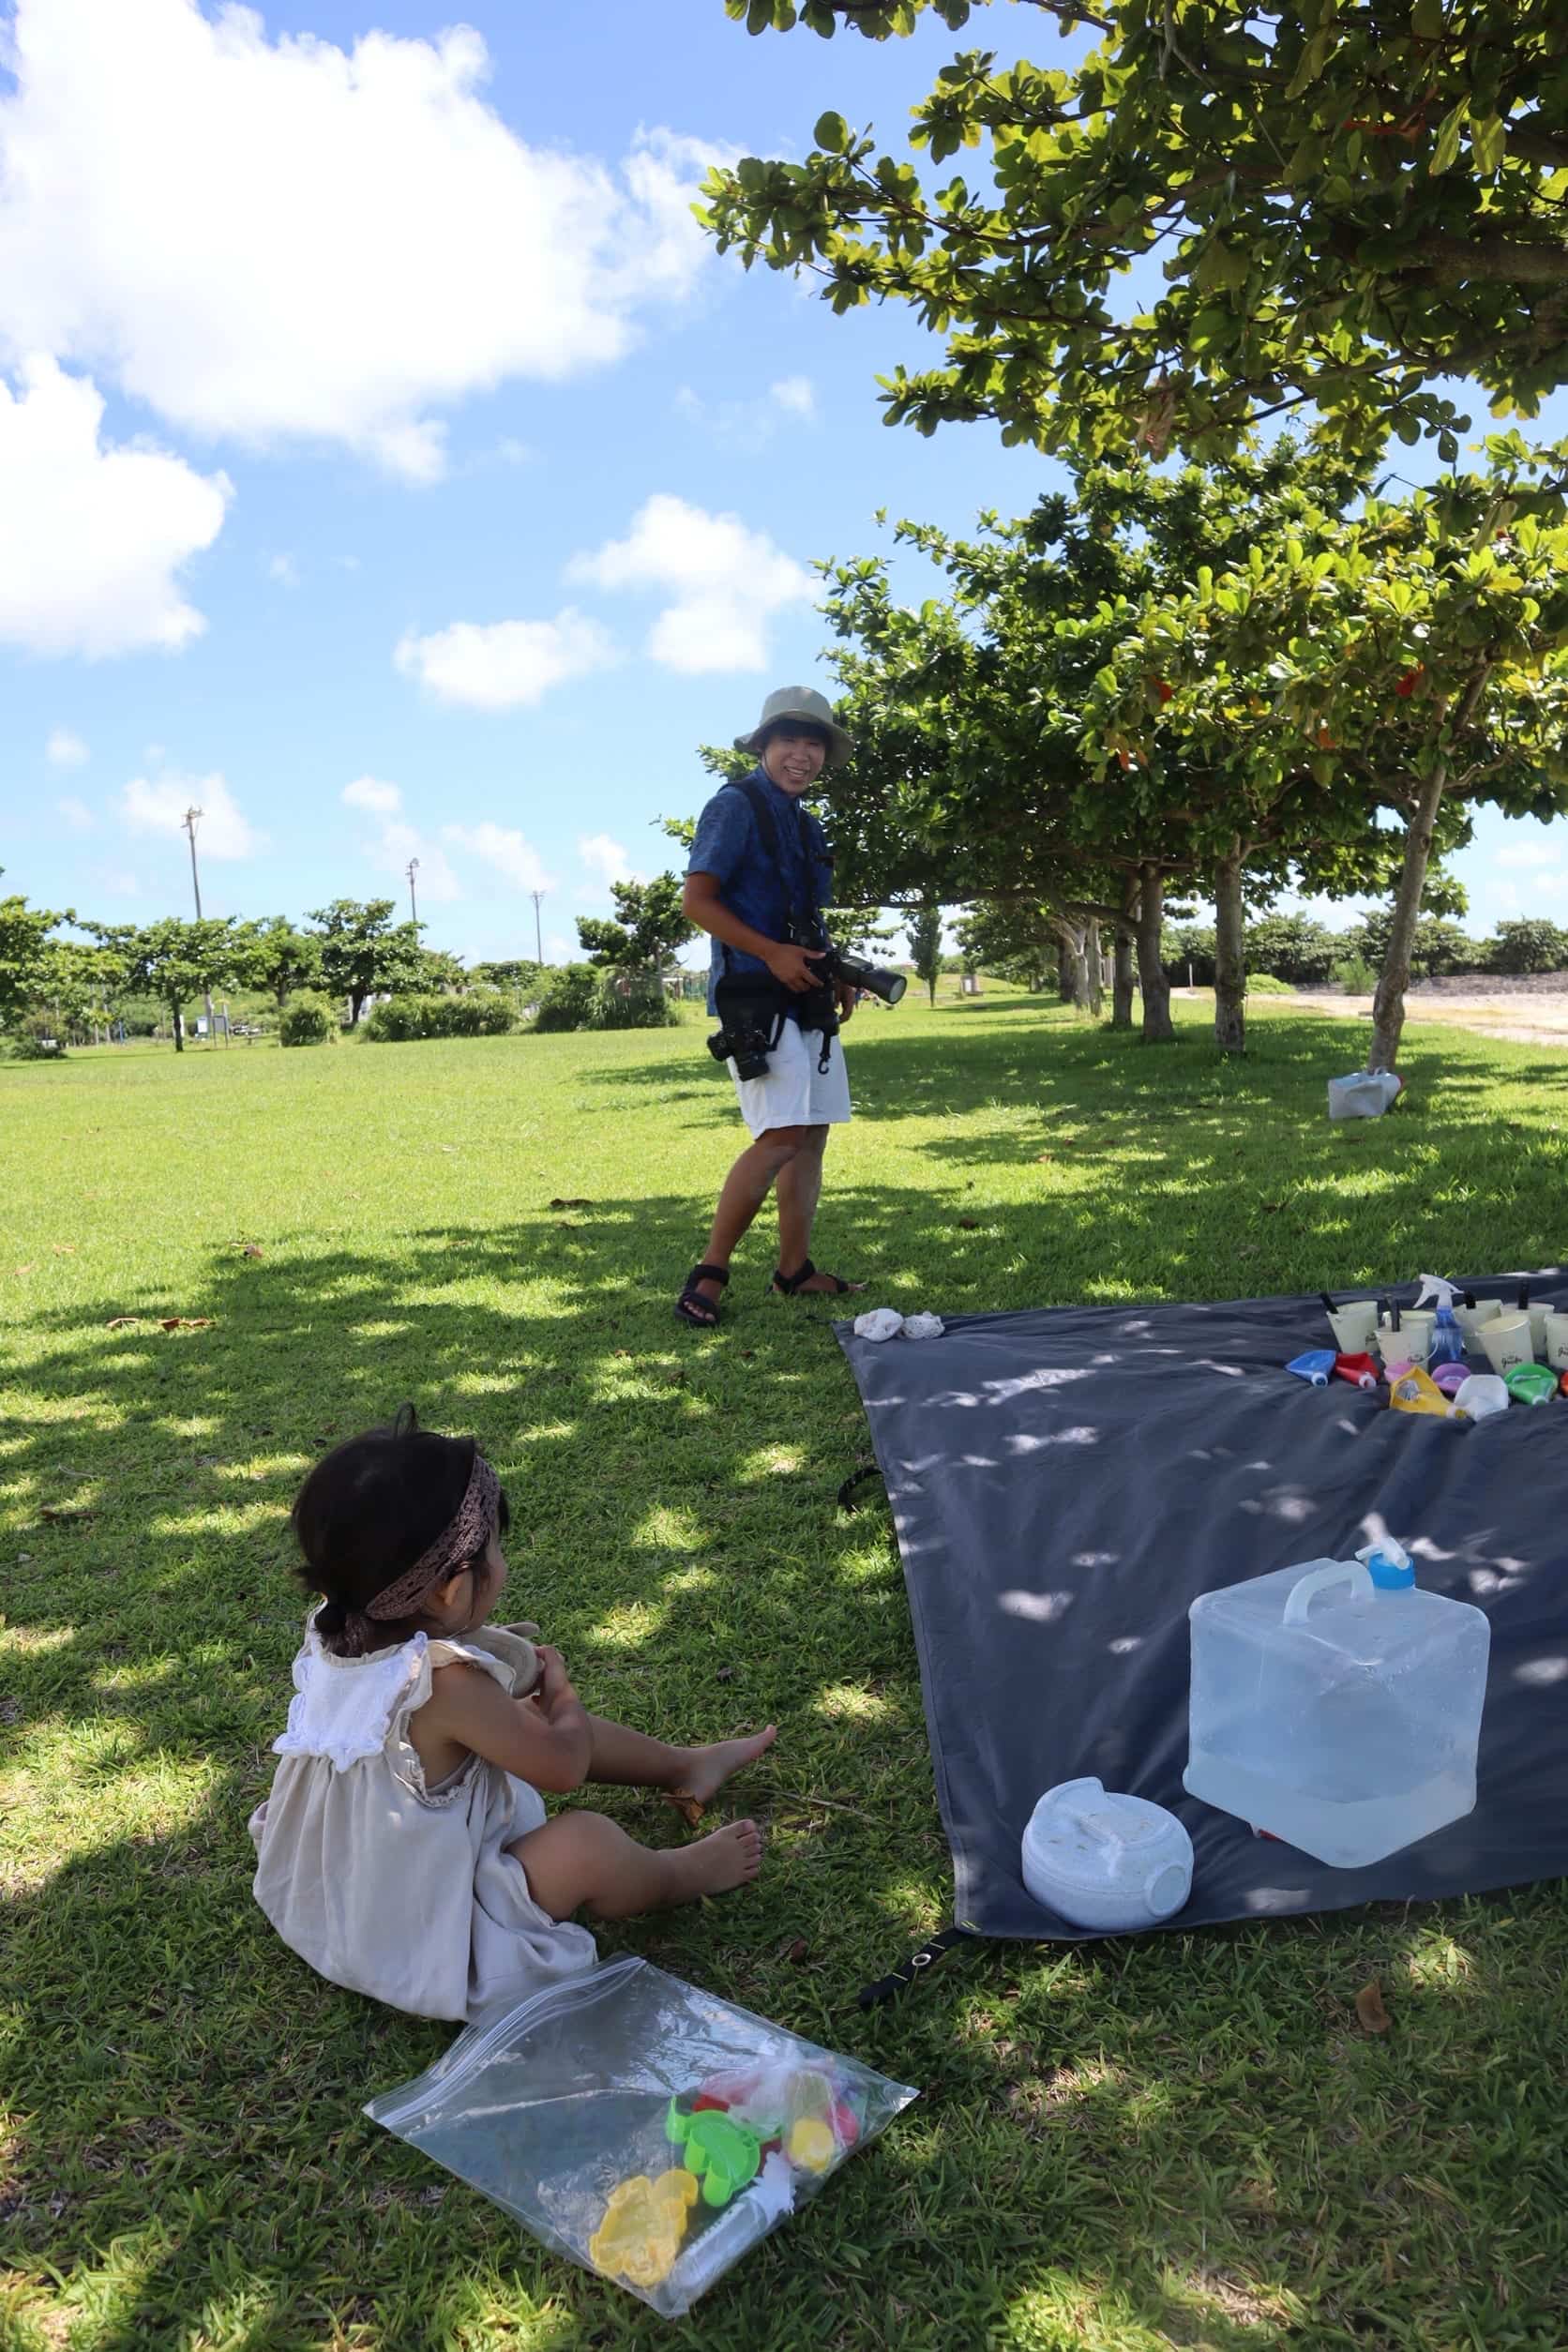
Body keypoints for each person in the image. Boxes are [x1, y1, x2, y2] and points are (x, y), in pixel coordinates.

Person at [249, 1409, 773, 2021]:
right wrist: (563, 1697)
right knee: (586, 1838)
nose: (503, 1561)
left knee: (523, 1725)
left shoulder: (338, 1626)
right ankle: (679, 1873)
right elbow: (561, 1767)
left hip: (343, 1887)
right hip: (422, 1931)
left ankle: (684, 1767)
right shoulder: (445, 1685)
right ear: (447, 1591)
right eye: (494, 1550)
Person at [676, 686, 867, 1329]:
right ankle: (709, 1273)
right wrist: (773, 955)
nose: (802, 754)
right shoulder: (733, 807)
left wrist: (831, 970)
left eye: (814, 743)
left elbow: (802, 913)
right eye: (789, 740)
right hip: (756, 996)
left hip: (804, 991)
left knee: (811, 1135)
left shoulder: (806, 823)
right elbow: (697, 902)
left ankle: (795, 1269)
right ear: (763, 745)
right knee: (780, 1135)